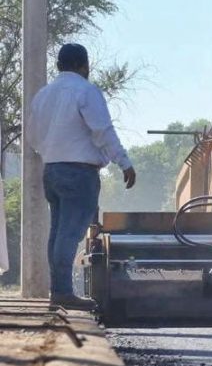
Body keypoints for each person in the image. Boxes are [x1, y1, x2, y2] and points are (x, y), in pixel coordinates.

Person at [29, 43, 136, 309]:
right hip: (79, 173)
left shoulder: (43, 95)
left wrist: (51, 151)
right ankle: (63, 292)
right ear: (84, 65)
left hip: (51, 169)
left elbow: (32, 136)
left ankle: (59, 290)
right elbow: (102, 131)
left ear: (59, 66)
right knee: (69, 234)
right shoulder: (85, 91)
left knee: (57, 233)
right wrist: (124, 162)